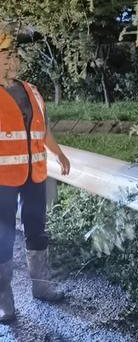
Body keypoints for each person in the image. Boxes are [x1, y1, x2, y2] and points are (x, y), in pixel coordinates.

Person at [0, 31, 70, 323]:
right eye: (7, 56)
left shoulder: (32, 90)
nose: (13, 61)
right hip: (3, 179)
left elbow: (42, 130)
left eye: (14, 55)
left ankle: (42, 288)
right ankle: (5, 303)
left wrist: (58, 153)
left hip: (35, 175)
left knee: (37, 231)